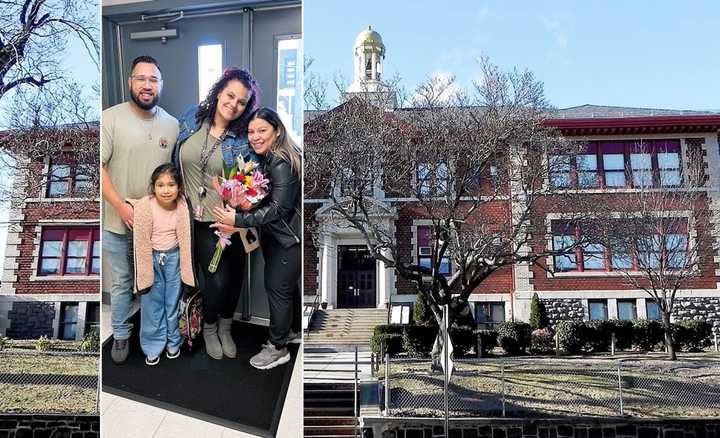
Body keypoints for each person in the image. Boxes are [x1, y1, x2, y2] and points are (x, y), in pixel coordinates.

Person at [172, 68, 260, 360]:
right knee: (212, 280)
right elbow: (173, 159)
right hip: (189, 216)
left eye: (242, 102)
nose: (234, 104)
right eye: (230, 95)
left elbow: (252, 182)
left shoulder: (243, 139)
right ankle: (209, 327)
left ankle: (225, 328)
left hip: (226, 220)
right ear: (219, 90)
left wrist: (237, 198)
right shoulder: (191, 118)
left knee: (232, 277)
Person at [102, 55, 179, 364]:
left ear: (161, 85)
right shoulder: (110, 118)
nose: (147, 85)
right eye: (141, 79)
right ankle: (121, 335)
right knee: (122, 283)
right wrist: (121, 207)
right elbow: (100, 167)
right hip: (118, 222)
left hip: (157, 228)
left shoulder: (172, 125)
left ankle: (156, 337)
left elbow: (175, 175)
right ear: (130, 82)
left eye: (153, 80)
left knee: (154, 285)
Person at [212, 107, 301, 370]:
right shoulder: (268, 159)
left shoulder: (282, 161)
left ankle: (278, 347)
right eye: (251, 131)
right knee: (286, 289)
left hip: (287, 240)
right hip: (280, 239)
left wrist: (236, 220)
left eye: (262, 130)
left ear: (277, 131)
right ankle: (292, 330)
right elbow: (269, 200)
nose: (255, 137)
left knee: (277, 290)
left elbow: (278, 210)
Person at [127, 164, 195, 366]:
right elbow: (131, 204)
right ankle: (152, 346)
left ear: (179, 187)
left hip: (174, 260)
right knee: (151, 305)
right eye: (161, 185)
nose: (166, 190)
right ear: (153, 187)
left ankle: (174, 342)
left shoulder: (183, 205)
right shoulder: (146, 206)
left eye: (171, 185)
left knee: (172, 303)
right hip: (152, 260)